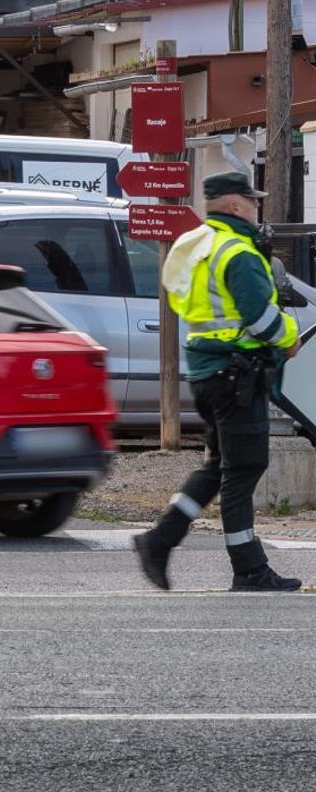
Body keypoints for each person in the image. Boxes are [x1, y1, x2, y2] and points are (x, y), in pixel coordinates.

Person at [133, 172, 301, 592]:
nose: (256, 206)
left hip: (208, 372)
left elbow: (182, 300)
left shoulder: (197, 244)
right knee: (243, 470)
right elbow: (260, 320)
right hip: (236, 374)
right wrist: (289, 338)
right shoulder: (238, 252)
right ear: (234, 205)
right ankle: (248, 568)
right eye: (252, 200)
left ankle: (159, 539)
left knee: (219, 466)